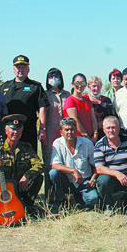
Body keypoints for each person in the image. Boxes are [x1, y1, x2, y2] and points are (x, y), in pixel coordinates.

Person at [0, 114, 44, 211]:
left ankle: (26, 206)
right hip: (3, 191)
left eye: (19, 129)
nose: (16, 132)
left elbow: (40, 165)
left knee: (38, 177)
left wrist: (27, 176)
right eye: (12, 129)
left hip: (20, 187)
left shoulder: (26, 147)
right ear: (6, 130)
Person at [0, 55, 49, 155]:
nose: (20, 70)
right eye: (18, 67)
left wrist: (42, 129)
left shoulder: (35, 87)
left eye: (23, 67)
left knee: (29, 158)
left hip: (28, 129)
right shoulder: (4, 87)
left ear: (28, 69)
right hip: (8, 131)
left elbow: (42, 108)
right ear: (13, 69)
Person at [49, 117, 99, 211]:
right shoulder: (57, 143)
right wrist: (73, 171)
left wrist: (93, 179)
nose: (69, 132)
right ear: (61, 132)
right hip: (67, 181)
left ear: (76, 130)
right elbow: (54, 165)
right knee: (53, 173)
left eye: (72, 129)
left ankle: (79, 197)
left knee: (93, 200)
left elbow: (96, 165)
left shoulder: (87, 143)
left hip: (85, 182)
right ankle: (62, 201)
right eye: (66, 130)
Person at [44, 67, 70, 202]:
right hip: (50, 134)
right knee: (49, 164)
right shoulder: (44, 95)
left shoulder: (67, 95)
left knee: (65, 163)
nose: (54, 78)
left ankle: (63, 194)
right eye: (51, 76)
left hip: (66, 135)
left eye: (56, 76)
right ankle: (49, 196)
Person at [63, 73, 98, 144]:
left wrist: (95, 135)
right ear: (72, 84)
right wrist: (85, 135)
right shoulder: (70, 100)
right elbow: (75, 120)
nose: (79, 86)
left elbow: (93, 119)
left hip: (90, 139)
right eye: (77, 83)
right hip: (76, 138)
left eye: (82, 83)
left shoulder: (87, 100)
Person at [86, 75, 116, 140]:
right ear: (88, 87)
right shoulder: (84, 100)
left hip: (105, 133)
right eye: (94, 86)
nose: (96, 89)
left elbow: (112, 117)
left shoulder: (106, 100)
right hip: (89, 133)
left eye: (98, 86)